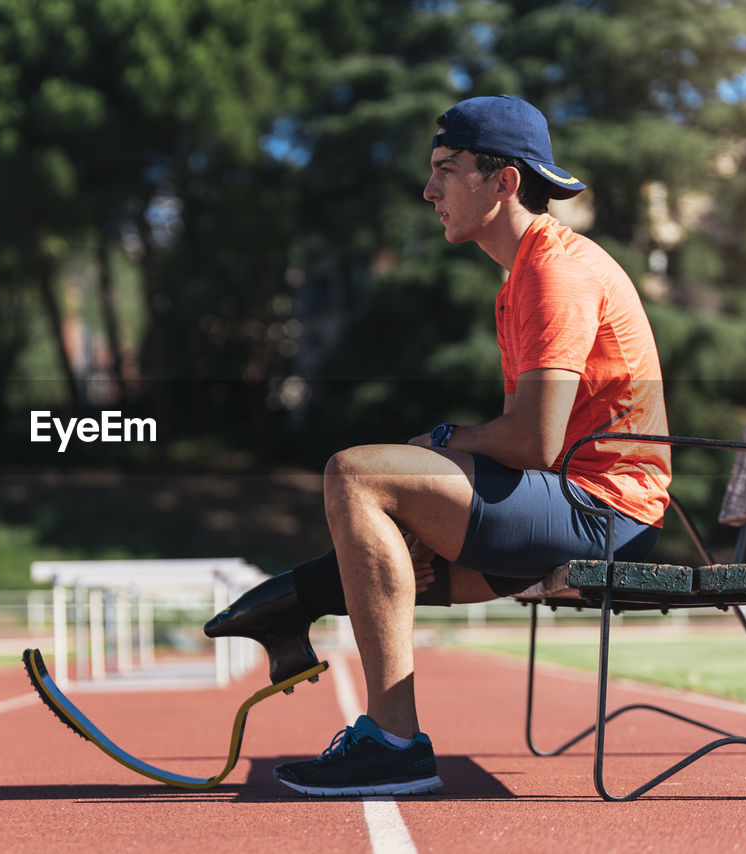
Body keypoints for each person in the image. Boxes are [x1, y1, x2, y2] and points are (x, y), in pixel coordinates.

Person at [205, 94, 671, 797]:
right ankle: (287, 607)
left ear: (504, 180)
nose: (430, 191)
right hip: (584, 505)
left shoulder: (554, 270)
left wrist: (443, 444)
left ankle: (389, 737)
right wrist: (436, 483)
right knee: (393, 549)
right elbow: (527, 441)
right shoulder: (521, 280)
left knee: (355, 475)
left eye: (447, 171)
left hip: (606, 516)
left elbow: (535, 440)